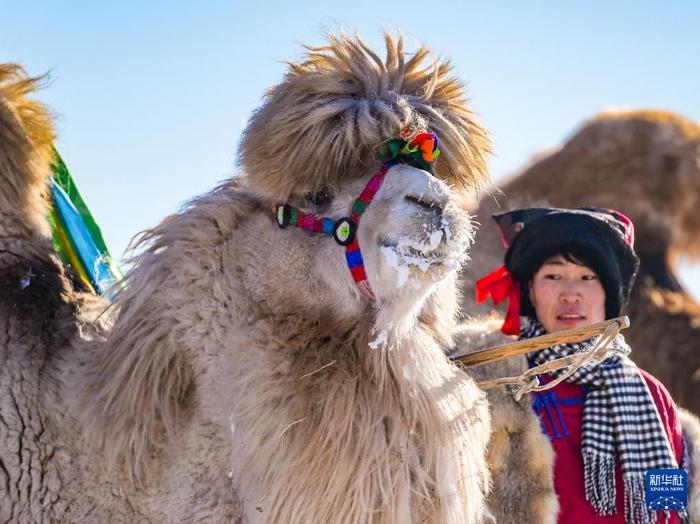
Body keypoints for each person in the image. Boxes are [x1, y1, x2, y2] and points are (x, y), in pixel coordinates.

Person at [476, 207, 688, 524]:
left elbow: (669, 508)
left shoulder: (650, 396)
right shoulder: (498, 386)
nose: (571, 294)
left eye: (588, 277)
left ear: (610, 293)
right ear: (531, 290)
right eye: (553, 276)